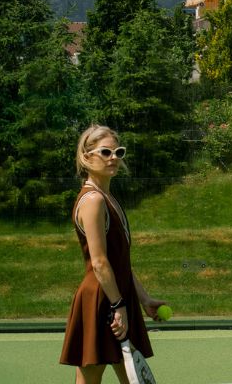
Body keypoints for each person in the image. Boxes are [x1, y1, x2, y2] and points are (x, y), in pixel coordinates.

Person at [60, 124, 167, 384]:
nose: (114, 158)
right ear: (86, 157)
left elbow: (120, 263)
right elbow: (99, 263)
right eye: (105, 152)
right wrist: (118, 305)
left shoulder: (107, 197)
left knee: (127, 377)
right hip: (102, 300)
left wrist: (143, 299)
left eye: (118, 152)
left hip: (117, 296)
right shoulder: (93, 201)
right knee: (92, 378)